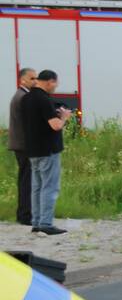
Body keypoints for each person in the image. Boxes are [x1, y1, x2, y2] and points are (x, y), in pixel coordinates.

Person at [22, 70, 71, 235]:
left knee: (36, 187)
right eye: (55, 83)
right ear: (50, 81)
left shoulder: (27, 98)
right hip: (48, 149)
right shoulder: (44, 99)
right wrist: (64, 117)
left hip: (32, 149)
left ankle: (36, 222)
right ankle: (46, 223)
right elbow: (55, 125)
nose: (56, 87)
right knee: (49, 187)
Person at [7, 67, 36, 225]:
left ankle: (23, 213)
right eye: (32, 78)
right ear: (22, 80)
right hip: (24, 145)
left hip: (19, 144)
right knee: (27, 180)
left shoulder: (20, 95)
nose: (35, 81)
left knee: (25, 178)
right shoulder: (23, 97)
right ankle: (25, 215)